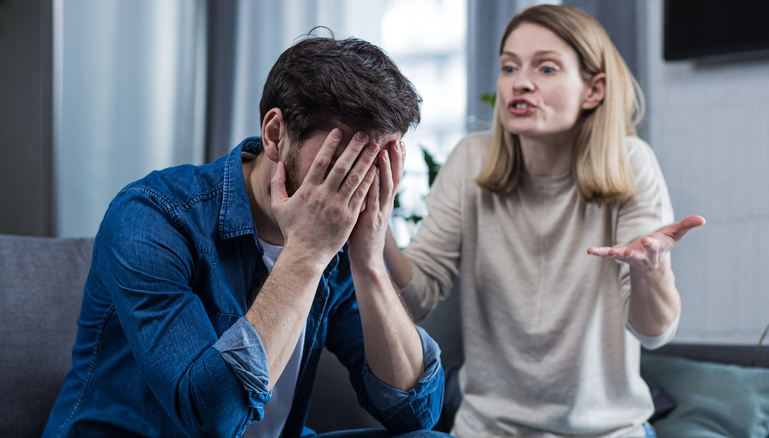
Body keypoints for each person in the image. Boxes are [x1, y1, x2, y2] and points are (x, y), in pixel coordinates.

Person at [43, 35, 448, 438]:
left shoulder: (340, 235)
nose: (356, 183)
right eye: (342, 159)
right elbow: (212, 418)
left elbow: (415, 413)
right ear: (274, 134)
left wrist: (369, 263)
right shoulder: (152, 216)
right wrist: (306, 253)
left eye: (377, 161)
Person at [383, 5, 705, 438]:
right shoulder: (470, 161)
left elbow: (652, 335)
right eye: (509, 67)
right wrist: (377, 224)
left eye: (546, 68)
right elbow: (416, 298)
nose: (521, 81)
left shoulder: (632, 164)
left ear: (594, 90)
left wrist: (651, 271)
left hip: (611, 431)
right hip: (487, 430)